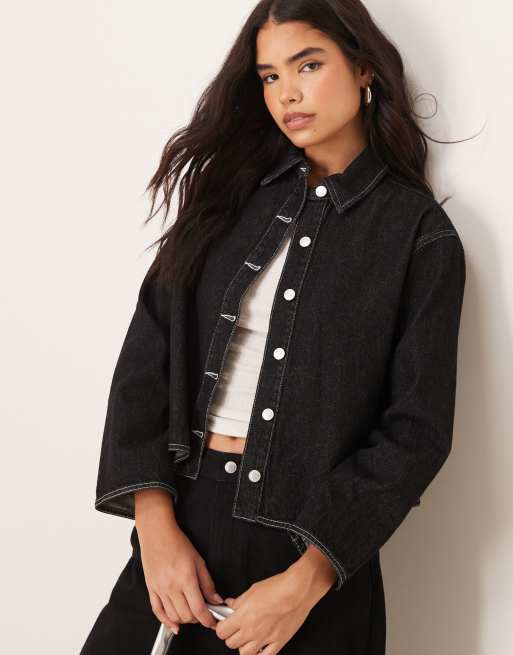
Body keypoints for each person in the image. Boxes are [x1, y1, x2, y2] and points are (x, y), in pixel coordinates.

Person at [79, 1, 468, 653]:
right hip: (184, 531)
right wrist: (155, 529)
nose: (286, 92)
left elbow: (415, 431)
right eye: (268, 76)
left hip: (313, 551)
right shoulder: (226, 198)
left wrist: (304, 582)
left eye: (307, 65)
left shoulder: (417, 235)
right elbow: (147, 358)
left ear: (364, 69)